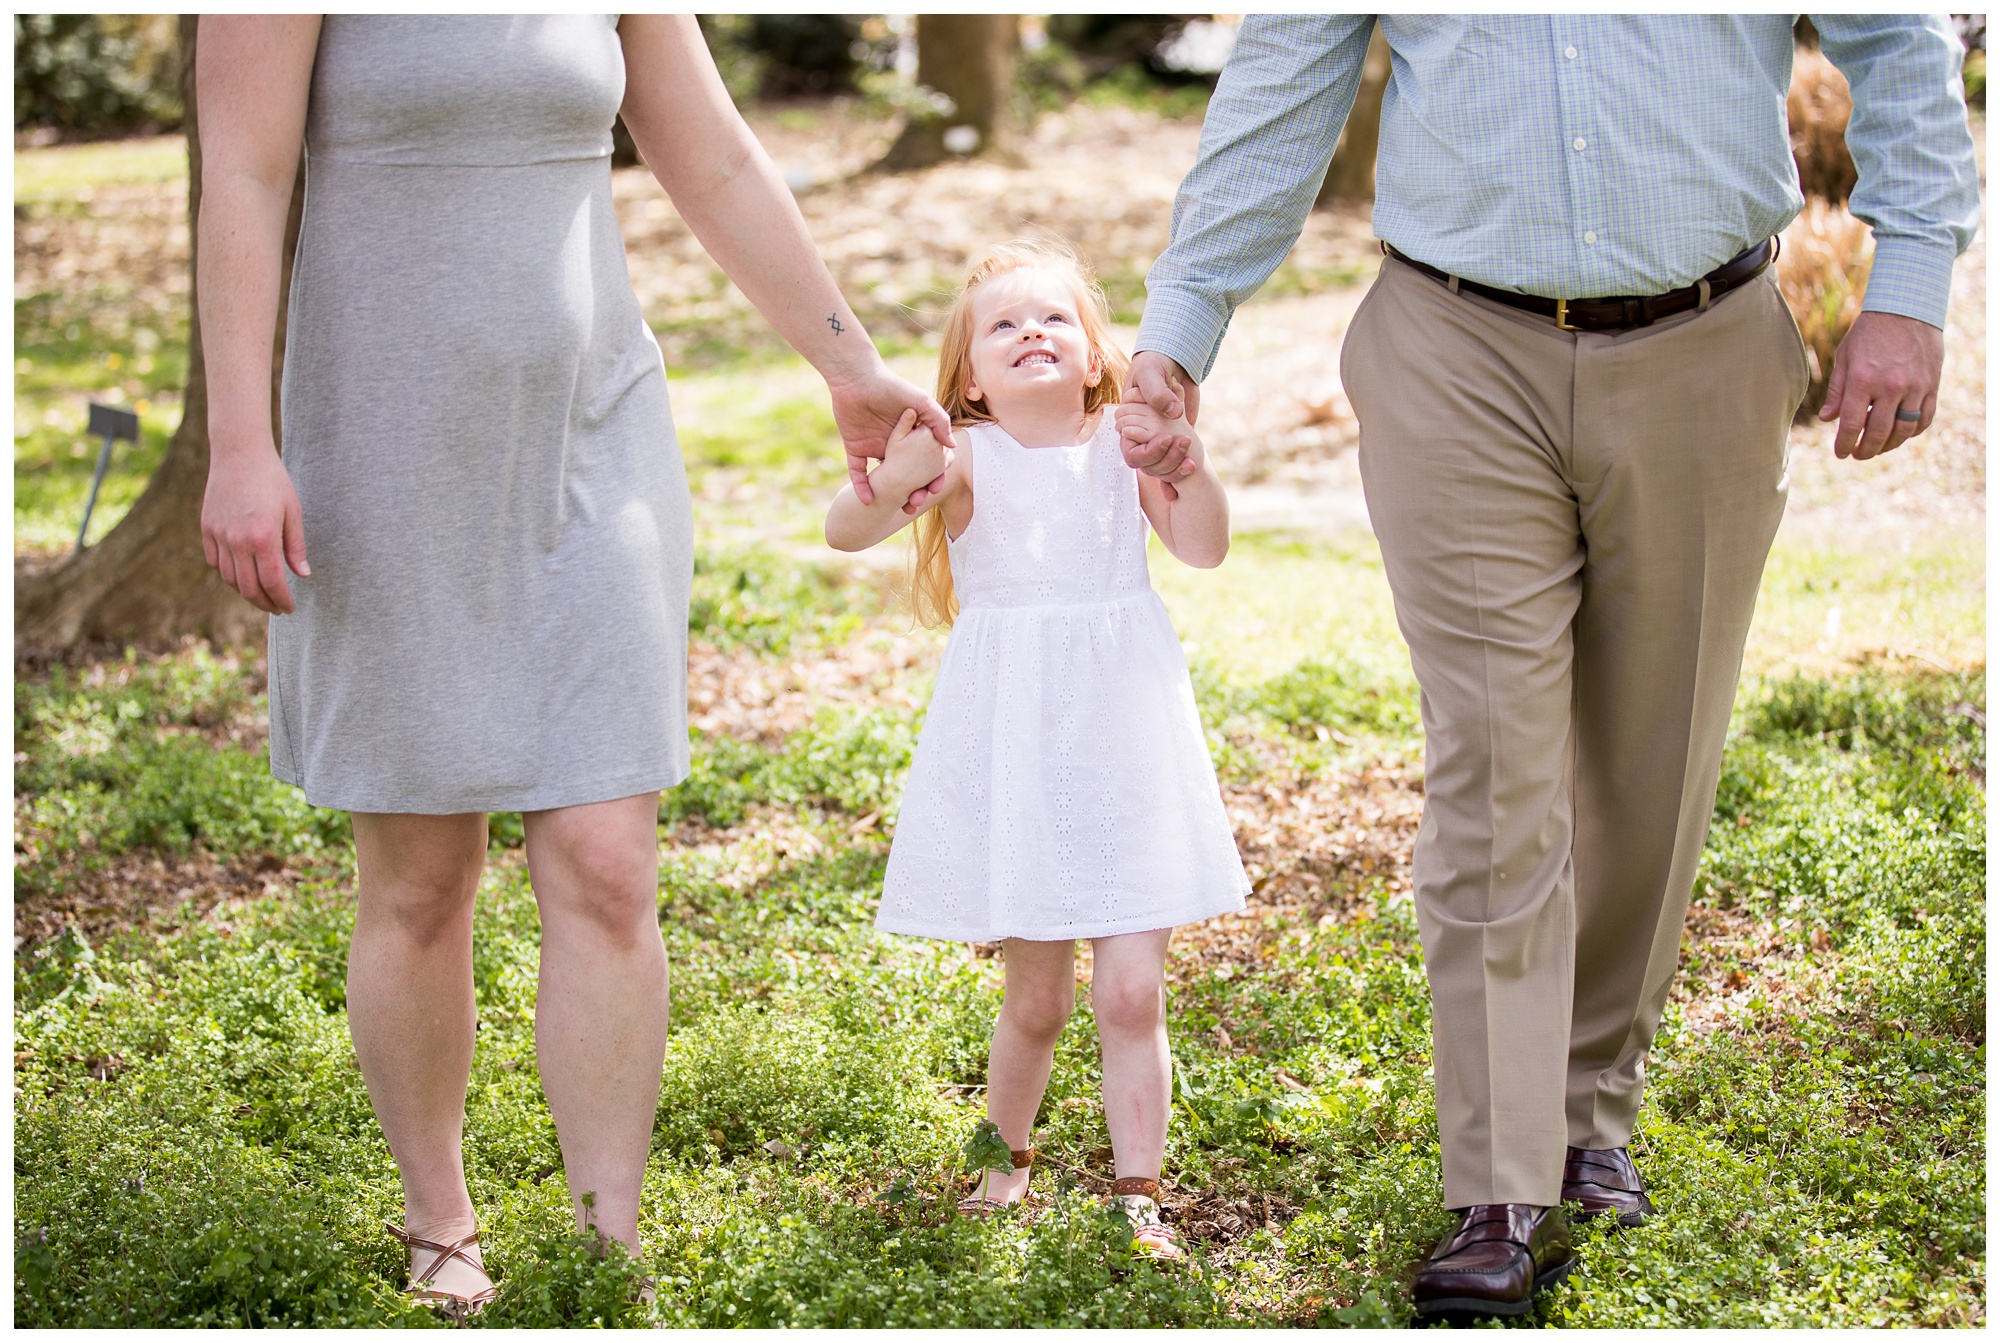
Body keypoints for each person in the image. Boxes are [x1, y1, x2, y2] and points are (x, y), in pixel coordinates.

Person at [1118, 14, 1979, 1321]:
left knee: (1653, 757)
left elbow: (1901, 42)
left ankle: (1589, 1112)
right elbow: (1278, 87)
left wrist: (1910, 283)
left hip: (1708, 335)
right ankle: (1500, 1183)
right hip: (1455, 346)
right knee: (1494, 762)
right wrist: (1181, 332)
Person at [196, 15, 949, 1315]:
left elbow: (705, 152)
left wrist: (849, 362)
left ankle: (612, 1250)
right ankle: (441, 1221)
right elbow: (245, 176)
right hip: (384, 441)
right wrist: (240, 444)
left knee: (607, 855)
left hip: (598, 433)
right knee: (425, 872)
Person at [824, 238, 1248, 1260]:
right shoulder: (966, 456)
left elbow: (1202, 546)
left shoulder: (1125, 442)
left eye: (1053, 317)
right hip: (1018, 743)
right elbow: (846, 530)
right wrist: (894, 477)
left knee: (1131, 989)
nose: (1029, 334)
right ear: (968, 376)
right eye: (1002, 325)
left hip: (1125, 738)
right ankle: (1000, 1156)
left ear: (1097, 352)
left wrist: (1184, 460)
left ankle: (1137, 1189)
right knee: (1037, 995)